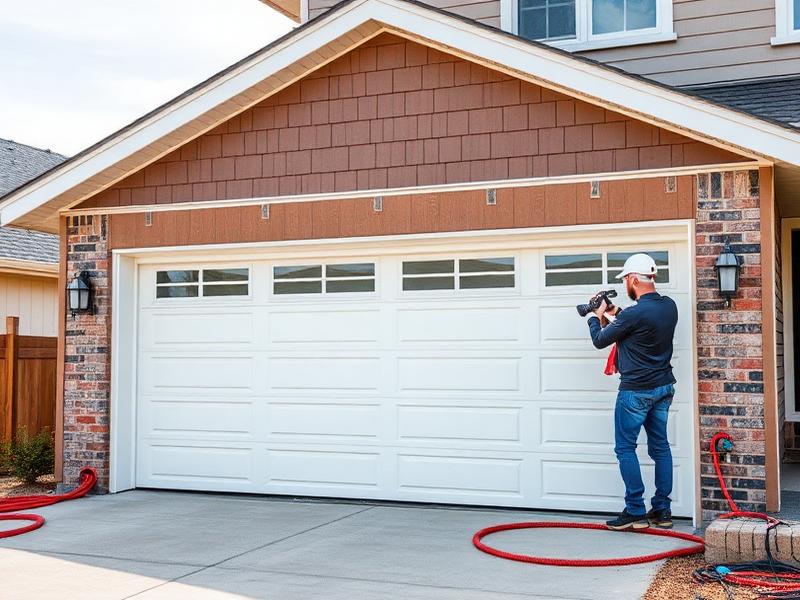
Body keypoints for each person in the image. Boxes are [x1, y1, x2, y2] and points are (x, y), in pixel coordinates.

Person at [585, 253, 678, 531]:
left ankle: (635, 510)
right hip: (663, 386)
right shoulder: (668, 306)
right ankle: (662, 511)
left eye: (626, 279)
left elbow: (600, 340)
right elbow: (636, 325)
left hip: (636, 392)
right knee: (660, 447)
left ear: (633, 279)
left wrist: (595, 316)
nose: (626, 283)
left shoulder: (636, 314)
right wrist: (615, 313)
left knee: (625, 448)